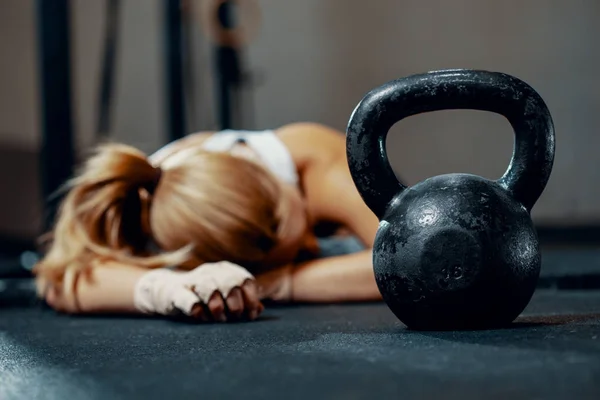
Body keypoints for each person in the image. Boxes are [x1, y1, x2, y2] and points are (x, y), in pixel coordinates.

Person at [34, 122, 382, 322]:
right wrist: (165, 288)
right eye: (302, 245)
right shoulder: (145, 208)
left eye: (302, 223)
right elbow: (61, 278)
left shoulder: (312, 157)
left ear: (258, 168)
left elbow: (417, 259)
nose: (311, 244)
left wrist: (279, 283)